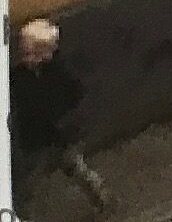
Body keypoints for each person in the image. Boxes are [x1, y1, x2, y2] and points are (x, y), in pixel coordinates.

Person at [12, 18, 110, 213]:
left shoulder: (59, 73)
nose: (26, 57)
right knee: (26, 185)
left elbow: (74, 98)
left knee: (76, 169)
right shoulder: (19, 76)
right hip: (35, 139)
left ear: (45, 54)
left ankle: (103, 198)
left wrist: (66, 123)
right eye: (25, 52)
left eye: (32, 53)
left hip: (57, 136)